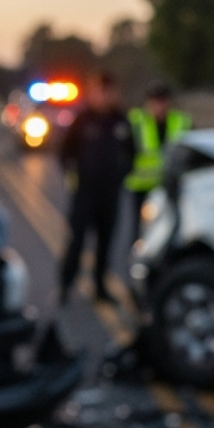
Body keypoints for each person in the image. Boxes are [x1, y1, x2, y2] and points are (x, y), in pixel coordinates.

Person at [56, 71, 135, 304]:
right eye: (100, 91)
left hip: (109, 194)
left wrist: (121, 175)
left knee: (105, 243)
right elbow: (65, 153)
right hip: (84, 194)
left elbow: (132, 154)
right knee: (77, 242)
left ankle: (100, 287)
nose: (105, 96)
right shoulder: (82, 121)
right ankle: (65, 286)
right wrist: (73, 177)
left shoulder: (121, 121)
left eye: (109, 92)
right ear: (93, 93)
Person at [124, 81, 192, 224]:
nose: (159, 107)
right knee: (142, 227)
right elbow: (124, 151)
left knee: (171, 225)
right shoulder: (136, 121)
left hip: (171, 184)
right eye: (155, 102)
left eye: (162, 102)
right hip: (142, 186)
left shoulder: (181, 121)